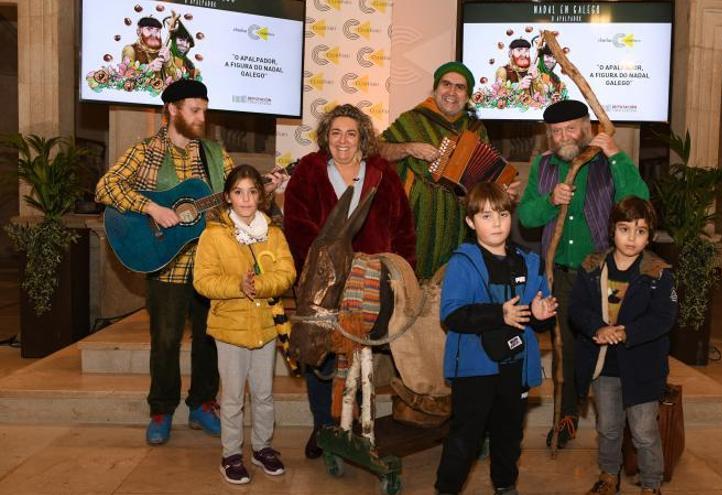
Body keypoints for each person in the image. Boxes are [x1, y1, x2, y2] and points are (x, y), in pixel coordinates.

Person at [96, 79, 283, 445]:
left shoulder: (214, 155)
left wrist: (262, 192)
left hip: (210, 267)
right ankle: (162, 408)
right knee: (164, 339)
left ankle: (202, 403)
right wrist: (151, 207)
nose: (201, 117)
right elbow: (106, 186)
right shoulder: (146, 151)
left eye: (204, 110)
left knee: (208, 339)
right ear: (173, 110)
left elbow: (234, 200)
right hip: (164, 262)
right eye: (194, 110)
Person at [284, 103, 416, 459]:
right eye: (336, 132)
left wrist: (404, 272)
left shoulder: (382, 173)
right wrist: (320, 270)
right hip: (322, 284)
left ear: (363, 137)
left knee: (361, 352)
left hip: (371, 282)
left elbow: (403, 226)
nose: (343, 140)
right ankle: (323, 426)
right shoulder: (309, 171)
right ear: (326, 136)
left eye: (351, 133)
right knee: (320, 354)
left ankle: (353, 423)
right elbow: (297, 226)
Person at [516, 99, 649, 448]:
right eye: (556, 132)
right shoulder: (543, 167)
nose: (563, 137)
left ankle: (618, 421)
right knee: (567, 348)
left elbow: (639, 202)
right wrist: (549, 202)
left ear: (586, 127)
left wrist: (618, 156)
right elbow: (527, 218)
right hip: (558, 274)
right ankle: (568, 415)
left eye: (570, 128)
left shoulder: (608, 162)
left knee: (607, 344)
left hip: (602, 274)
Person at [435, 182, 558, 495]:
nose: (497, 223)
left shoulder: (528, 262)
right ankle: (446, 489)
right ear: (470, 222)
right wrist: (497, 314)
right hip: (476, 369)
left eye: (503, 214)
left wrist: (542, 314)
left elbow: (536, 315)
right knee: (466, 438)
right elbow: (452, 315)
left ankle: (505, 486)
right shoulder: (463, 263)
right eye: (487, 216)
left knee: (509, 435)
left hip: (514, 366)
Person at [193, 164, 295, 484]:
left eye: (252, 191)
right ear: (227, 197)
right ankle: (231, 455)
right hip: (230, 328)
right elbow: (203, 281)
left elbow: (287, 273)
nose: (246, 198)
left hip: (265, 326)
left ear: (261, 195)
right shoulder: (213, 235)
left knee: (264, 394)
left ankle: (262, 448)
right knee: (233, 397)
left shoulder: (274, 233)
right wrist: (238, 287)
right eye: (239, 192)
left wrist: (259, 287)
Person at [568, 197, 677, 495]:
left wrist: (627, 332)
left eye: (640, 231)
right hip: (604, 365)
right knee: (608, 428)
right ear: (611, 230)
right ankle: (608, 475)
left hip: (643, 366)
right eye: (625, 229)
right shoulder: (592, 266)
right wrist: (597, 328)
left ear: (650, 235)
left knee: (643, 431)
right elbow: (576, 308)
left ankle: (651, 484)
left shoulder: (658, 273)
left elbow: (664, 318)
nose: (631, 238)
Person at [380, 61, 518, 280]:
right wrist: (408, 148)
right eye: (446, 84)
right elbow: (378, 149)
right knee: (408, 283)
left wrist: (502, 190)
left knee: (451, 283)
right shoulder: (412, 119)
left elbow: (485, 177)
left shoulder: (475, 128)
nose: (452, 92)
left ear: (467, 95)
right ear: (435, 89)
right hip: (415, 218)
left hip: (459, 222)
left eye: (460, 87)